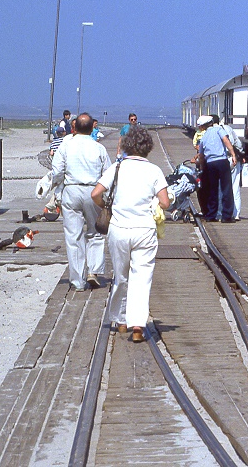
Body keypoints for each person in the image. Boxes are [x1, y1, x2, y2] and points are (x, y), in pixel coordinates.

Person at [92, 126, 170, 343]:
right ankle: (138, 325)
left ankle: (120, 320)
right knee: (142, 278)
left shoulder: (117, 168)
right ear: (148, 147)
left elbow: (95, 193)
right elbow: (165, 202)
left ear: (127, 146)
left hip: (119, 229)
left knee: (121, 276)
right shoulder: (154, 170)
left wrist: (106, 206)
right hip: (144, 230)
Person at [50, 113, 111, 291]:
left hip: (72, 190)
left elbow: (57, 171)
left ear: (74, 128)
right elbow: (107, 175)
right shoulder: (99, 148)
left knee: (73, 236)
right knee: (95, 232)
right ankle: (93, 271)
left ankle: (77, 280)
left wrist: (58, 188)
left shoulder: (65, 146)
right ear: (92, 128)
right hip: (93, 191)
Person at [195, 114, 237, 222]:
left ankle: (211, 215)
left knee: (212, 190)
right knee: (226, 189)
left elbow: (201, 155)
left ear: (203, 126)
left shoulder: (204, 137)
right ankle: (226, 216)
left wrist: (202, 167)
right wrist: (233, 154)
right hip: (222, 161)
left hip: (210, 164)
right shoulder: (219, 130)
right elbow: (226, 140)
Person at [217, 115, 245, 219]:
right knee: (235, 186)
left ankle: (220, 212)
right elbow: (238, 143)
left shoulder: (214, 131)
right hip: (234, 159)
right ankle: (236, 213)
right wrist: (240, 154)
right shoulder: (228, 128)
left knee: (221, 187)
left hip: (222, 160)